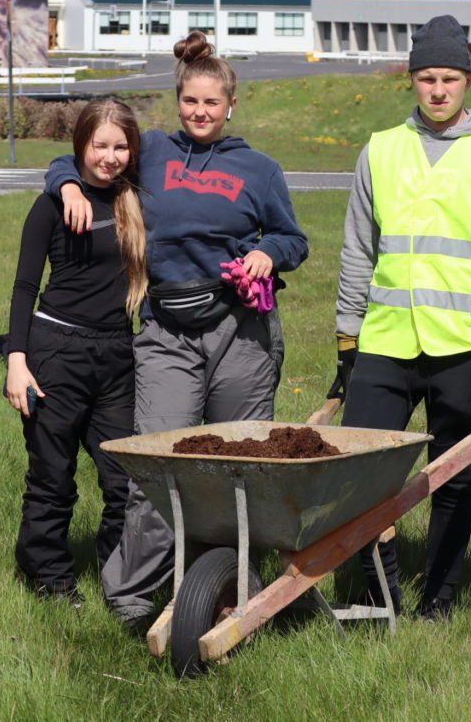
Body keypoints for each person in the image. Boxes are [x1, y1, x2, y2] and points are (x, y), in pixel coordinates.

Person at [44, 32, 308, 627]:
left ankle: (232, 588)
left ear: (231, 105)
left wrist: (268, 253)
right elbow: (83, 157)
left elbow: (294, 239)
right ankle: (131, 596)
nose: (200, 112)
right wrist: (66, 183)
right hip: (167, 330)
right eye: (191, 101)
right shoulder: (155, 152)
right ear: (179, 99)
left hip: (240, 331)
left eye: (212, 103)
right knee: (159, 464)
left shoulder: (260, 169)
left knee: (240, 466)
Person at [332, 15, 471, 620]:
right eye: (427, 78)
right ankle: (377, 593)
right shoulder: (380, 149)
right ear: (411, 80)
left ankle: (439, 600)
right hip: (386, 341)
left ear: (468, 80)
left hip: (466, 346)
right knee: (363, 471)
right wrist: (348, 333)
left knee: (451, 477)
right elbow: (357, 248)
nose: (439, 90)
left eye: (450, 78)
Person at [5, 98, 147, 608]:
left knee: (125, 479)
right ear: (80, 145)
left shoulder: (137, 198)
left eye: (120, 147)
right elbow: (25, 287)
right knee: (53, 475)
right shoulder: (52, 204)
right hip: (56, 353)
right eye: (98, 145)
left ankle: (120, 580)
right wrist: (16, 361)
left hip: (117, 356)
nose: (109, 157)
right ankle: (49, 577)